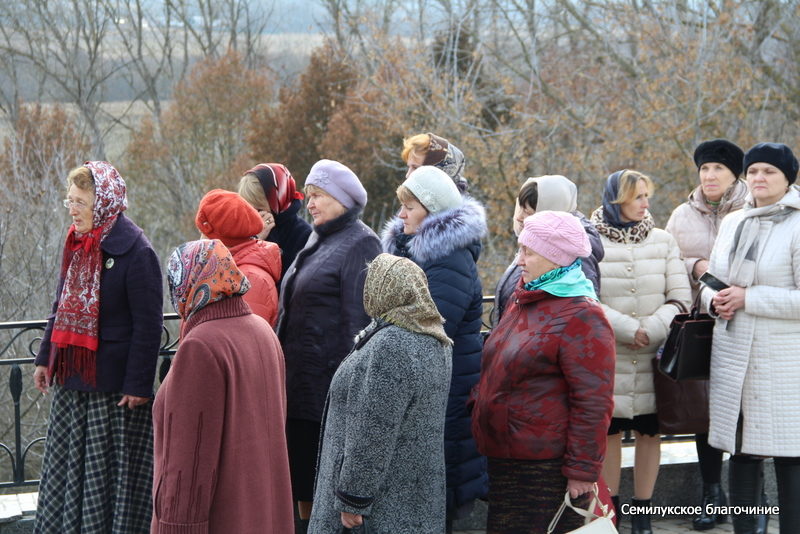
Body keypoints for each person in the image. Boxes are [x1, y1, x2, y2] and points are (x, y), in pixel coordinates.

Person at [33, 161, 163, 534]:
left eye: (80, 202)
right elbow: (59, 306)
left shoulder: (136, 251)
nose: (72, 209)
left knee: (107, 479)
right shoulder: (76, 242)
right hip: (72, 380)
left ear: (103, 203)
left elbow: (148, 324)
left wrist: (139, 385)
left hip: (113, 391)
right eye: (69, 201)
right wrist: (46, 358)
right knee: (67, 472)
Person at [470, 211, 615, 534]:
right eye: (519, 249)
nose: (519, 260)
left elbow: (593, 401)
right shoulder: (526, 298)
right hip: (507, 458)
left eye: (528, 251)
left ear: (554, 257)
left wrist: (582, 469)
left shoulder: (582, 314)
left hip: (546, 468)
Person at [153, 239, 293, 533]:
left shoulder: (201, 345)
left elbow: (188, 463)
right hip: (264, 515)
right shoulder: (262, 330)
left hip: (224, 519)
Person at [308, 253, 453, 534]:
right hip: (414, 493)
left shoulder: (390, 344)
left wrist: (353, 498)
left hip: (379, 505)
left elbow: (374, 431)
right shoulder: (436, 339)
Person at [276, 159, 382, 533]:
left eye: (319, 195)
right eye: (310, 196)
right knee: (303, 485)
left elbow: (361, 325)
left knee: (323, 493)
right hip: (300, 389)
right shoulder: (318, 237)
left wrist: (348, 392)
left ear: (341, 198)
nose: (311, 203)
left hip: (327, 394)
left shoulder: (362, 242)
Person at [381, 165, 487, 529]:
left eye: (409, 206)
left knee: (437, 501)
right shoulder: (418, 254)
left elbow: (425, 327)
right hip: (430, 394)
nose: (401, 214)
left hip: (444, 398)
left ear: (432, 209)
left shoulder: (449, 260)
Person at [704, 142, 800, 534]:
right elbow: (710, 279)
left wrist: (749, 298)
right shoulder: (733, 221)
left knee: (790, 458)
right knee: (741, 454)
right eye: (753, 171)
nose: (759, 179)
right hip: (733, 357)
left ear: (787, 178)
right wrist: (716, 302)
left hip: (782, 363)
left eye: (769, 172)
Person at [590, 169, 691, 534]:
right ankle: (611, 511)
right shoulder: (591, 242)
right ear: (617, 200)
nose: (646, 204)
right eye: (638, 197)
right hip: (610, 354)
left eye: (647, 196)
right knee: (610, 433)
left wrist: (653, 329)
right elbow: (588, 297)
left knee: (651, 433)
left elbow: (681, 297)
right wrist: (629, 329)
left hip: (654, 357)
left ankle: (643, 514)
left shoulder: (663, 241)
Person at [665, 139, 748, 531]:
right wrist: (694, 264)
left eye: (717, 168)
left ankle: (753, 498)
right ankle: (712, 493)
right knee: (705, 413)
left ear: (735, 173)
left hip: (749, 324)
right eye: (704, 169)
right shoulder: (682, 214)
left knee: (750, 412)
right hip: (703, 328)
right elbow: (666, 260)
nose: (710, 175)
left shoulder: (753, 210)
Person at [492, 174, 604, 326]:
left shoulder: (570, 250)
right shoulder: (538, 241)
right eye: (520, 209)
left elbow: (581, 317)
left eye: (528, 212)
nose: (518, 217)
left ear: (550, 211)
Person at [195, 189, 281, 326]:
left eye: (204, 234)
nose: (199, 241)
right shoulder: (230, 268)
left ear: (221, 239)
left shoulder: (251, 278)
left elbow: (244, 341)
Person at [238, 163, 312, 283]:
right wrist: (254, 240)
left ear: (277, 200)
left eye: (259, 208)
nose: (252, 215)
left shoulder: (303, 235)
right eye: (247, 207)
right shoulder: (242, 229)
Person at [401, 132, 468, 192]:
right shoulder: (410, 203)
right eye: (409, 167)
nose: (408, 175)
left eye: (416, 168)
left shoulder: (456, 205)